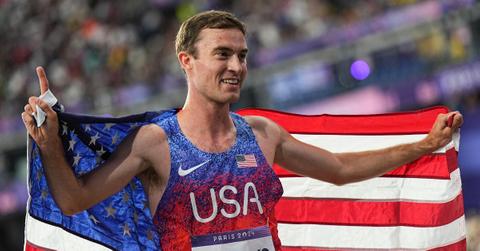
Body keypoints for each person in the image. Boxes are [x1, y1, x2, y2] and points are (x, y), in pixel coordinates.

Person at [21, 10, 463, 251]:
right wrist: (49, 144)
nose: (236, 66)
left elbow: (341, 169)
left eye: (242, 55)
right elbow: (74, 200)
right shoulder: (155, 143)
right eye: (222, 54)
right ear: (186, 62)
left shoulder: (262, 134)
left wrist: (424, 146)